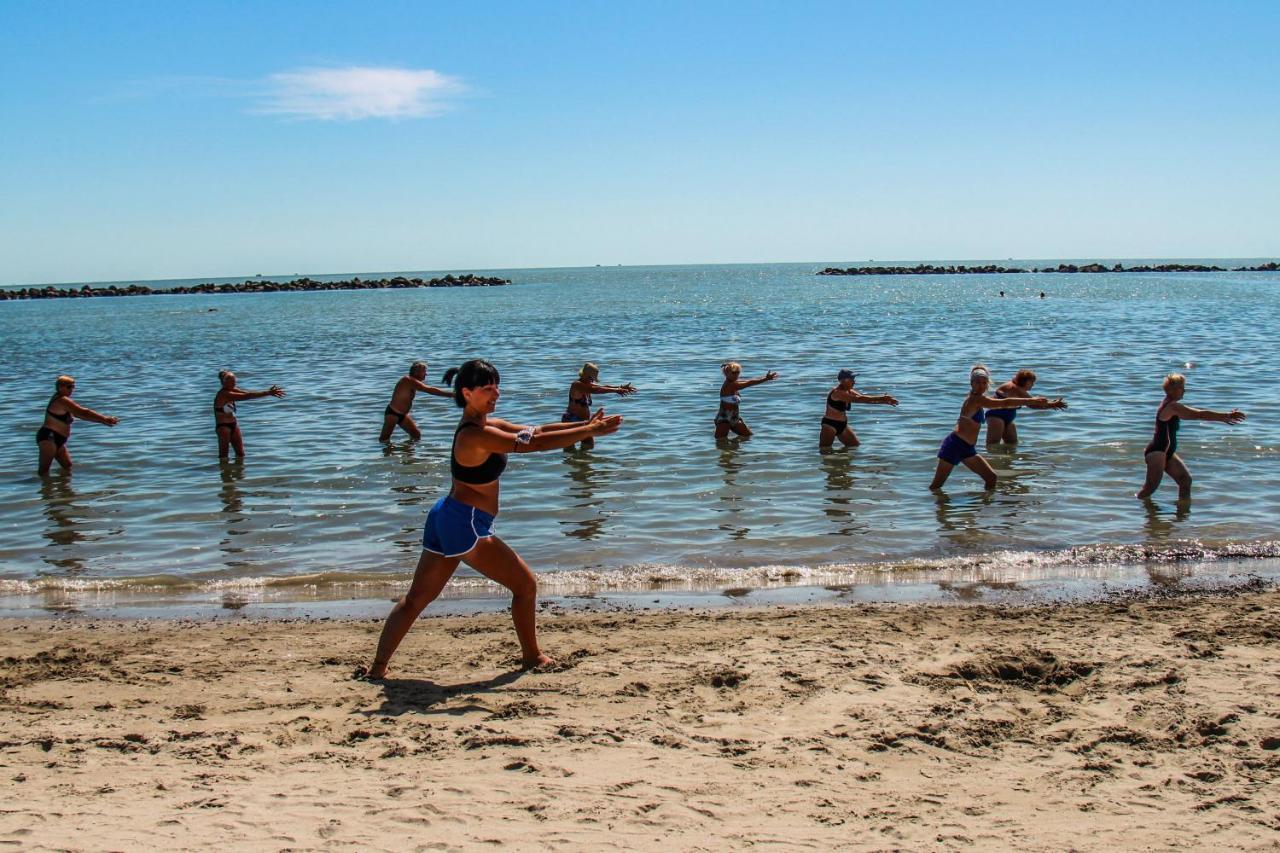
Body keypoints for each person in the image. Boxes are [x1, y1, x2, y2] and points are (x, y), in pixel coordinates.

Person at [364, 359, 624, 678]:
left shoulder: (486, 425)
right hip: (466, 524)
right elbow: (535, 445)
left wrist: (583, 426)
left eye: (497, 386)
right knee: (526, 586)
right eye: (488, 389)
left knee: (416, 599)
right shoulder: (474, 436)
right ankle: (532, 657)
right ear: (467, 393)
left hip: (446, 517)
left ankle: (377, 669)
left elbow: (538, 431)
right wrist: (589, 429)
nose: (496, 393)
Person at [929, 364, 1066, 490]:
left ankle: (985, 510)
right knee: (936, 486)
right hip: (955, 446)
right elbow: (1004, 403)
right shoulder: (975, 399)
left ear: (988, 384)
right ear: (971, 383)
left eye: (984, 383)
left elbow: (1005, 403)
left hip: (967, 449)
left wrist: (1047, 403)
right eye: (977, 382)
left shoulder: (979, 398)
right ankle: (935, 513)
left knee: (991, 478)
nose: (981, 386)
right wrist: (1030, 400)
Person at [1135, 373, 1245, 501]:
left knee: (1185, 481)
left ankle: (1182, 516)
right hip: (1157, 452)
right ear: (1172, 390)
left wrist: (1224, 417)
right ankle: (1134, 509)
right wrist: (1226, 416)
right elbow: (1199, 415)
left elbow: (1195, 415)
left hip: (1166, 452)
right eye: (1182, 387)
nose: (1185, 390)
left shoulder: (1172, 404)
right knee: (1149, 489)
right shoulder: (1172, 406)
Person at [36, 375, 118, 474]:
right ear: (60, 387)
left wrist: (102, 421)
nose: (72, 389)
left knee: (67, 467)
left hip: (59, 439)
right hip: (49, 437)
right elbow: (84, 412)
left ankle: (64, 489)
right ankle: (42, 488)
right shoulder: (62, 400)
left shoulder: (64, 400)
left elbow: (81, 416)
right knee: (43, 471)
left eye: (73, 386)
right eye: (69, 387)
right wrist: (105, 418)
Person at [562, 362, 636, 450]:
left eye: (592, 379)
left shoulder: (587, 383)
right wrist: (616, 390)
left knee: (588, 446)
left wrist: (621, 387)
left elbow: (603, 386)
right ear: (584, 375)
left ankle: (580, 462)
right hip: (571, 420)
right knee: (570, 449)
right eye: (590, 378)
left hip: (583, 421)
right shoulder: (577, 384)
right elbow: (595, 390)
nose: (591, 381)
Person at [214, 369, 286, 458]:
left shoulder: (233, 389)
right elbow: (246, 396)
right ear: (223, 382)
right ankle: (223, 471)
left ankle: (239, 471)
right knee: (223, 456)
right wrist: (268, 393)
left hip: (233, 425)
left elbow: (248, 393)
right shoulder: (224, 394)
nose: (234, 383)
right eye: (231, 381)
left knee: (241, 454)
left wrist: (268, 392)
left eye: (234, 380)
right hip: (223, 427)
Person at [819, 369, 898, 448]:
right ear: (843, 380)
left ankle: (841, 459)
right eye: (851, 379)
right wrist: (882, 398)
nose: (854, 381)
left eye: (854, 379)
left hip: (843, 425)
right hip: (830, 425)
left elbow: (865, 400)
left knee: (854, 446)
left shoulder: (849, 391)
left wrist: (884, 402)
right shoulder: (837, 393)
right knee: (825, 450)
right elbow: (859, 399)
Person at [985, 369, 1061, 446]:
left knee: (1012, 444)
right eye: (1032, 382)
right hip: (996, 416)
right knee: (993, 445)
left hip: (1008, 418)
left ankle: (1007, 458)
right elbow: (1034, 402)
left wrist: (1051, 405)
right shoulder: (1014, 387)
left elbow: (1032, 405)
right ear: (1025, 381)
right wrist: (1052, 404)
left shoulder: (1020, 390)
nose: (1033, 385)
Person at [380, 361, 452, 442]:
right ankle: (385, 454)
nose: (426, 374)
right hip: (393, 413)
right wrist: (453, 395)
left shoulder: (413, 382)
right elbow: (430, 390)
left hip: (403, 415)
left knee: (416, 435)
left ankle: (408, 453)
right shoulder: (407, 380)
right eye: (424, 371)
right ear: (416, 372)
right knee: (384, 439)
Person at [715, 362, 778, 438]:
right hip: (724, 418)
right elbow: (749, 383)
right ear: (726, 373)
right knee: (720, 442)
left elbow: (749, 380)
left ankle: (734, 449)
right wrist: (766, 378)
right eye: (734, 373)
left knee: (748, 437)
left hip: (735, 417)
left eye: (738, 372)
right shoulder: (730, 385)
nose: (736, 375)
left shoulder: (734, 382)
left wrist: (765, 378)